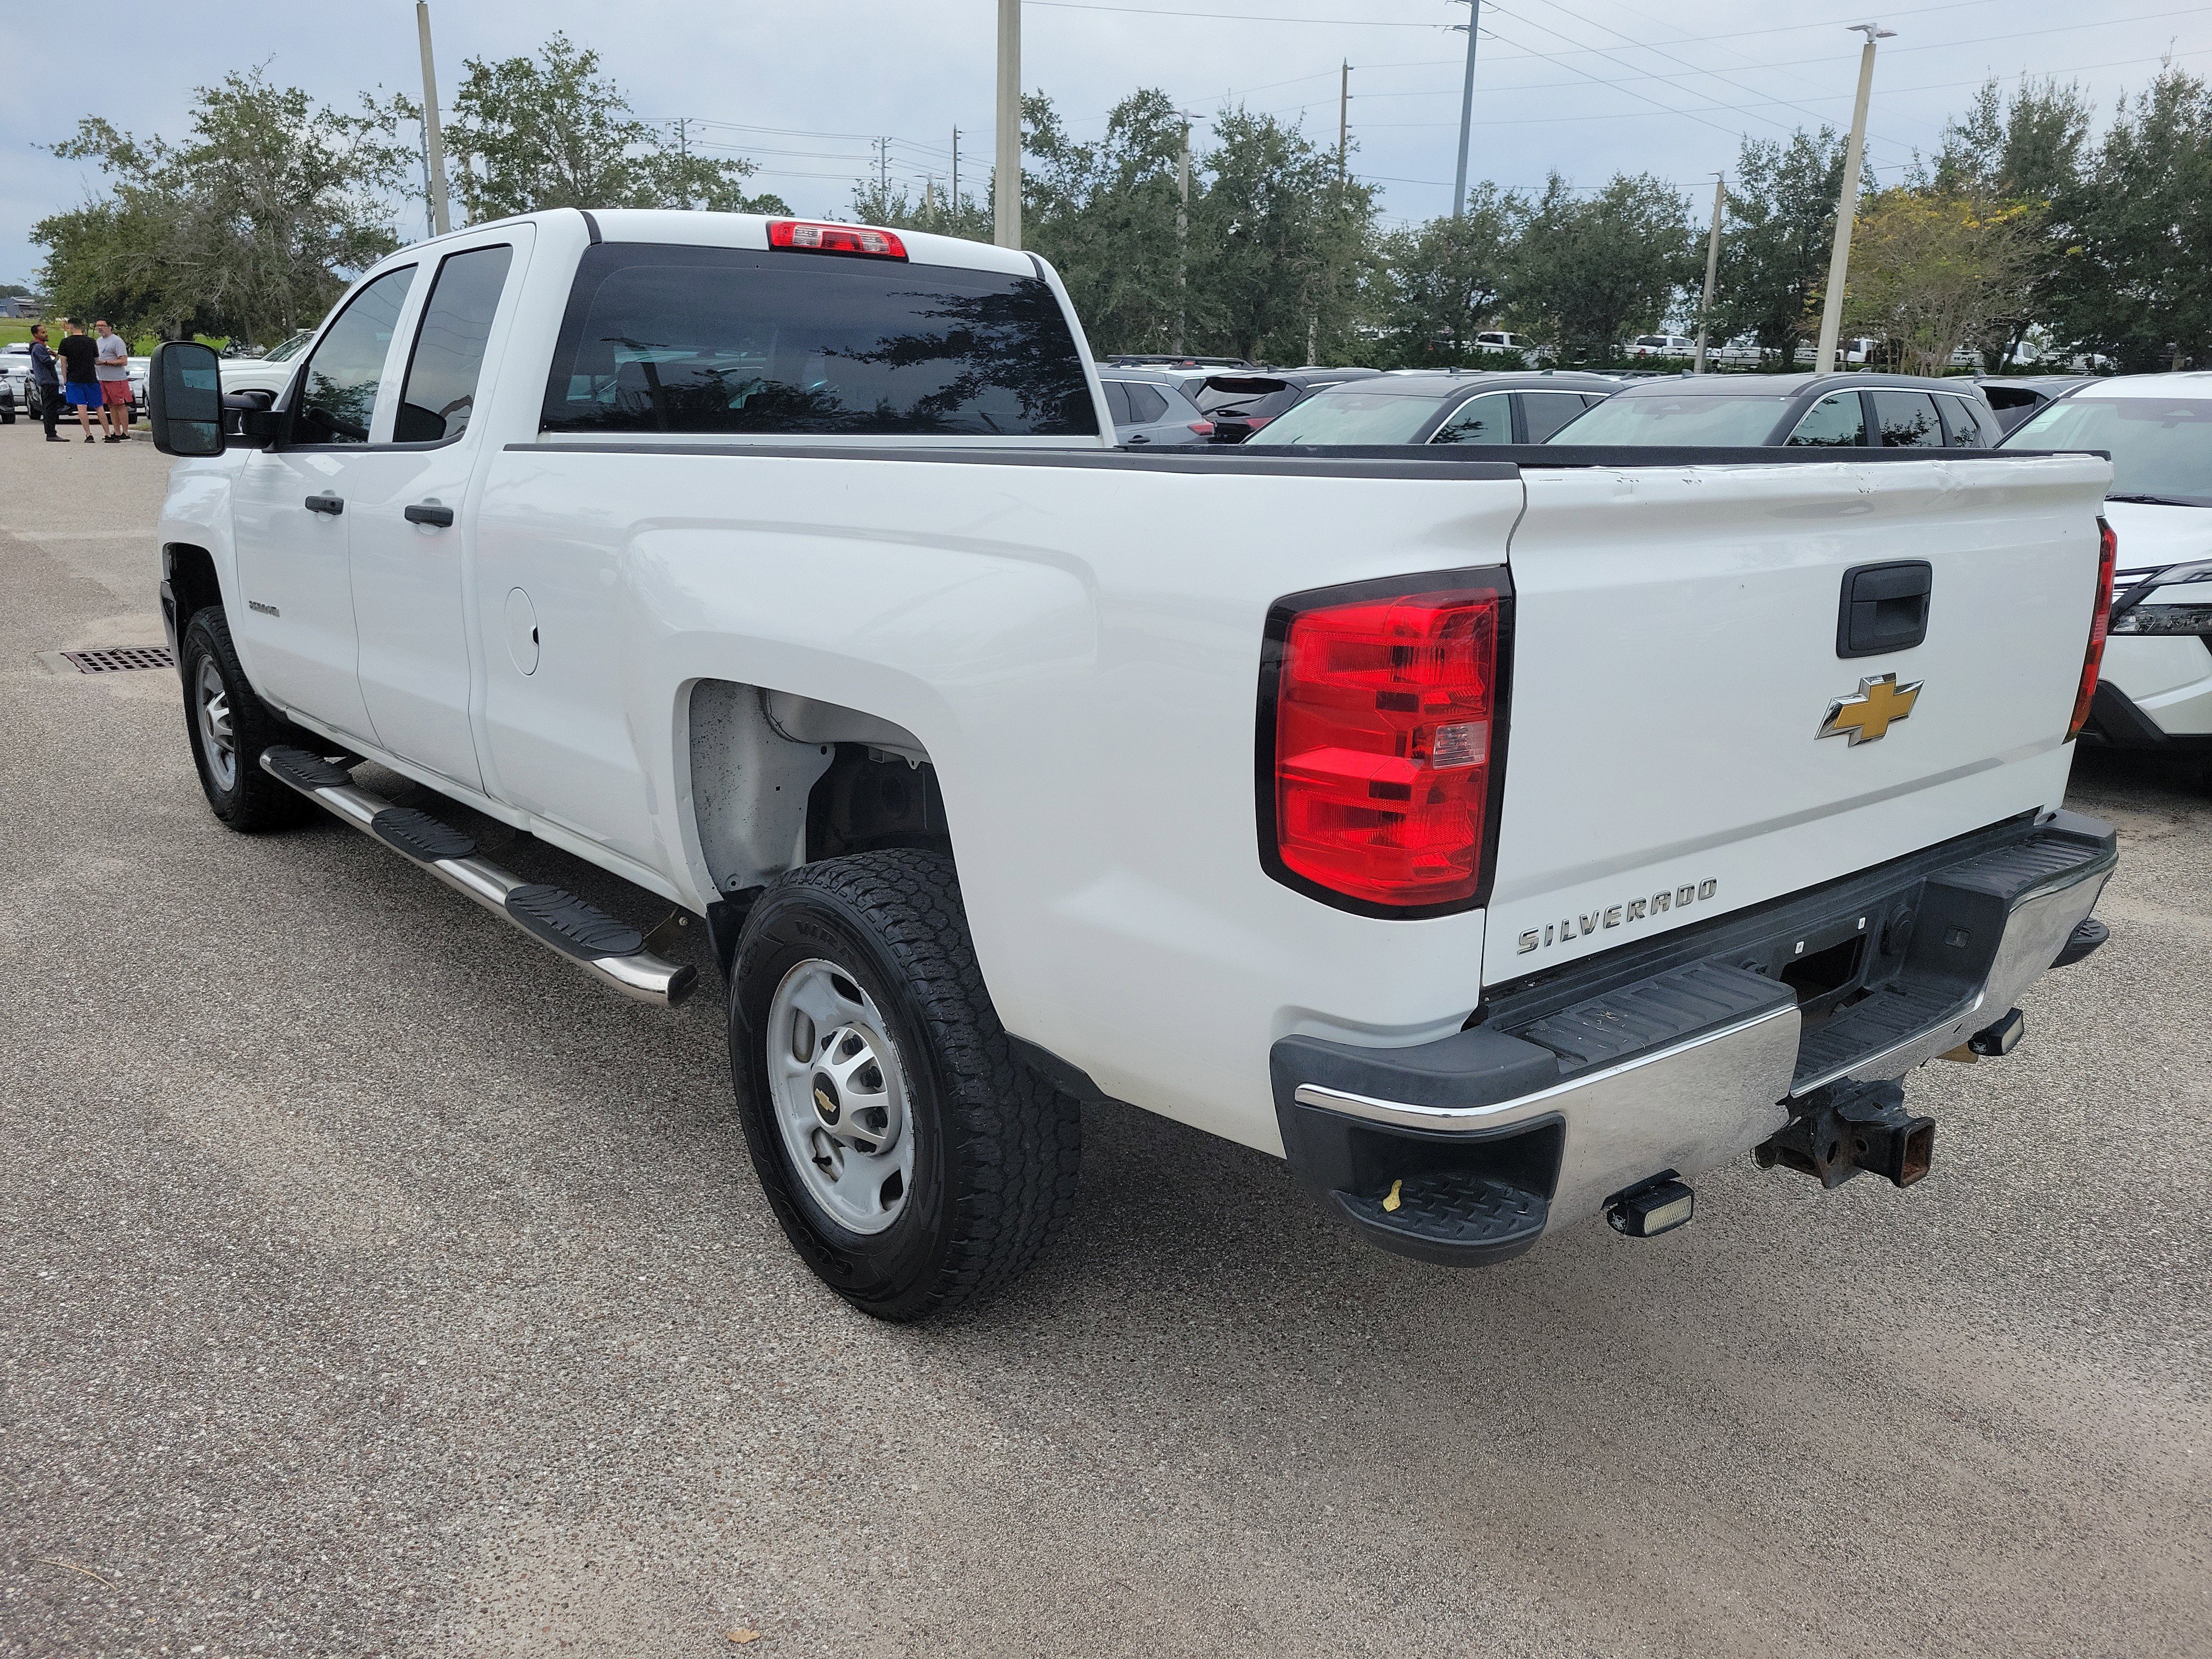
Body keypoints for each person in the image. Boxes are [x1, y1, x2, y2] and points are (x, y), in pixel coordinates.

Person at [55, 319, 100, 443]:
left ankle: (89, 434)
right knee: (99, 406)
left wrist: (65, 379)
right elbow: (96, 360)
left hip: (74, 378)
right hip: (90, 377)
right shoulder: (91, 341)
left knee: (81, 406)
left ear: (71, 326)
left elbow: (63, 364)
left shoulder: (65, 342)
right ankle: (107, 433)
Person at [93, 319, 132, 442]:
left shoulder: (116, 341)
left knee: (120, 405)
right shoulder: (99, 341)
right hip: (103, 378)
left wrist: (106, 362)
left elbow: (124, 361)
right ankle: (117, 431)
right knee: (111, 405)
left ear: (110, 327)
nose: (100, 328)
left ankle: (125, 432)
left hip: (116, 379)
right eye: (98, 326)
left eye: (103, 326)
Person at [26, 323, 64, 442]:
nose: (46, 334)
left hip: (47, 380)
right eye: (43, 332)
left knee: (50, 407)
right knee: (50, 408)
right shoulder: (38, 347)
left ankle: (51, 432)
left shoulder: (40, 347)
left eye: (46, 331)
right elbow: (48, 363)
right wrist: (57, 357)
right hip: (48, 381)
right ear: (36, 335)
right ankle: (51, 433)